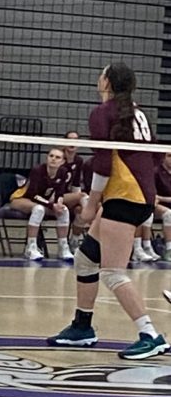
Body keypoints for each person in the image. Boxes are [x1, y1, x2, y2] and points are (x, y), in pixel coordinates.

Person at [47, 63, 169, 359]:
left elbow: (103, 162)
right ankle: (82, 327)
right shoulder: (136, 112)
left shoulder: (104, 113)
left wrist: (91, 204)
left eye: (101, 74)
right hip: (136, 195)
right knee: (86, 259)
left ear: (107, 83)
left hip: (125, 198)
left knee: (113, 273)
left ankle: (150, 334)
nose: (98, 78)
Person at [9, 148, 74, 261]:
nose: (53, 159)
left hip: (43, 201)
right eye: (51, 156)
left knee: (64, 210)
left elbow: (60, 192)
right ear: (47, 158)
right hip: (21, 199)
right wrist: (51, 205)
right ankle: (31, 247)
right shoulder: (38, 170)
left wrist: (58, 204)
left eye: (57, 157)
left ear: (63, 161)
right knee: (39, 209)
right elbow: (33, 194)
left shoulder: (62, 172)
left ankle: (63, 247)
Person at [61, 131, 88, 251]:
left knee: (80, 210)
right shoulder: (58, 157)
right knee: (83, 197)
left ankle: (74, 241)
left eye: (75, 140)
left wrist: (75, 198)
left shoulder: (78, 161)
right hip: (55, 195)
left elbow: (76, 183)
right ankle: (91, 222)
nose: (72, 142)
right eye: (69, 139)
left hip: (69, 196)